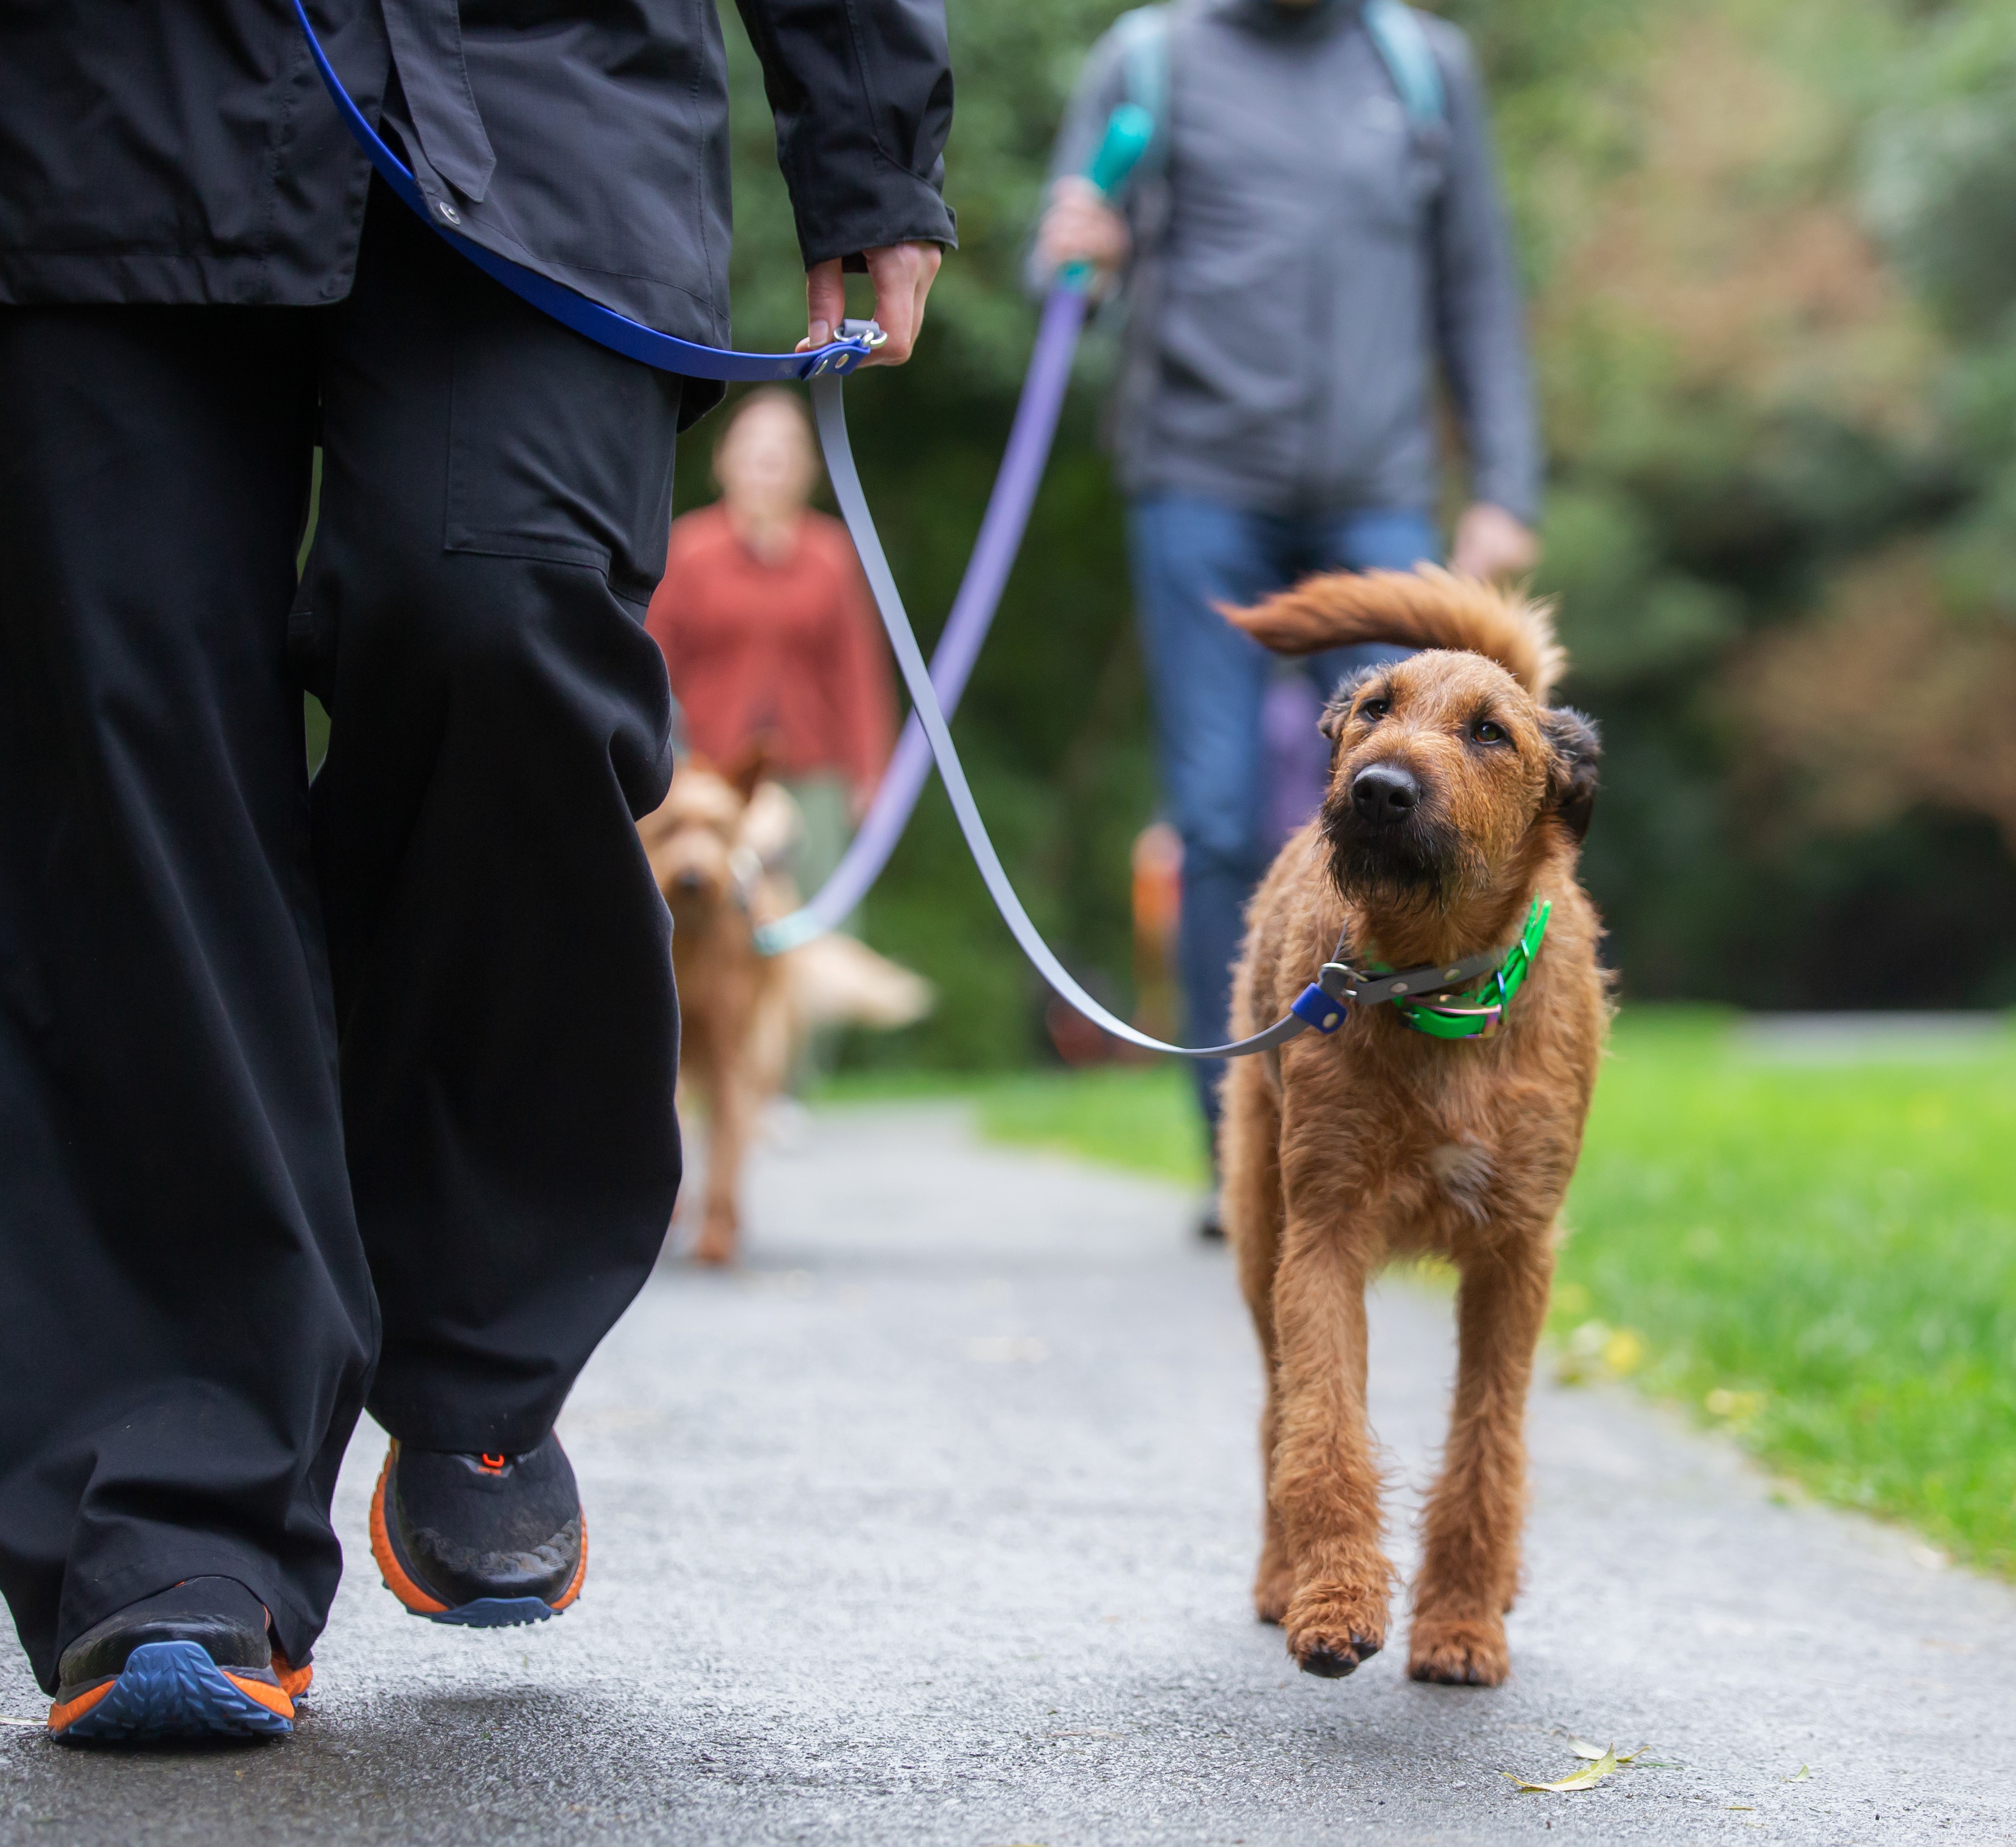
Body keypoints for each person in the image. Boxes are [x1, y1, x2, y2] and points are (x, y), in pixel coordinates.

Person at [0, 0, 950, 1742]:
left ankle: (475, 1329)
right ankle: (170, 1502)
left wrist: (869, 126)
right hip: (101, 100)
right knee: (129, 746)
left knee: (499, 618)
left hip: (541, 91)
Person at [1034, 0, 1542, 1214]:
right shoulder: (1149, 59)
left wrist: (1505, 486)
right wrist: (1075, 256)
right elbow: (1062, 271)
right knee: (1215, 817)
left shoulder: (1419, 69)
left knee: (1421, 797)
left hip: (1379, 495)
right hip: (1199, 484)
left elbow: (1476, 285)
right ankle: (1245, 1149)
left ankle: (1411, 1127)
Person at [647, 389, 896, 910]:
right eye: (755, 448)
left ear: (809, 469)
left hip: (813, 776)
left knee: (816, 924)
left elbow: (858, 673)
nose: (768, 463)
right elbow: (653, 662)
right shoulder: (689, 548)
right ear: (724, 460)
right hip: (709, 777)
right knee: (708, 924)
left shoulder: (833, 557)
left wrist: (871, 776)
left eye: (784, 450)